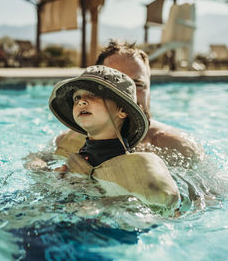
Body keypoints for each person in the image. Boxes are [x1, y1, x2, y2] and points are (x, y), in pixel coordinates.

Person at [48, 65, 180, 208]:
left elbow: (167, 210)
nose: (81, 101)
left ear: (122, 110)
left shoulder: (140, 168)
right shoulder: (75, 157)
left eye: (92, 95)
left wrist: (100, 206)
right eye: (77, 97)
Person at [55, 41, 204, 162]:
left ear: (150, 91)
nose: (127, 94)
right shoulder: (67, 141)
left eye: (137, 85)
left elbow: (208, 195)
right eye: (113, 83)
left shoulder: (176, 146)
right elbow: (39, 165)